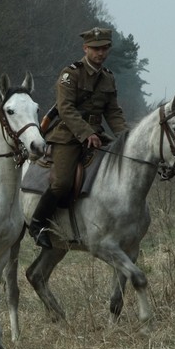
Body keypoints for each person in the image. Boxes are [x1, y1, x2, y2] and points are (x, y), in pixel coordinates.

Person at [29, 26, 127, 248]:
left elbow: (113, 112)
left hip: (96, 136)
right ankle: (38, 223)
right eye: (95, 49)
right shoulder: (70, 73)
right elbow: (65, 109)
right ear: (85, 48)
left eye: (104, 48)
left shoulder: (108, 78)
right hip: (68, 136)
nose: (100, 53)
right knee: (62, 182)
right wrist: (86, 133)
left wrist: (125, 138)